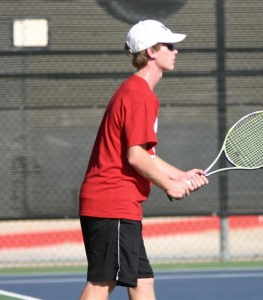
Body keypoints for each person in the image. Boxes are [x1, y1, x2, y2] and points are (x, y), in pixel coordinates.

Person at [77, 20, 209, 300]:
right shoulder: (139, 96)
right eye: (170, 46)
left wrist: (180, 176)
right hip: (111, 202)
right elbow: (135, 156)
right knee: (102, 284)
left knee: (143, 281)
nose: (176, 51)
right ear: (151, 51)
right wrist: (168, 186)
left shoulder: (136, 92)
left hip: (117, 203)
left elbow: (146, 154)